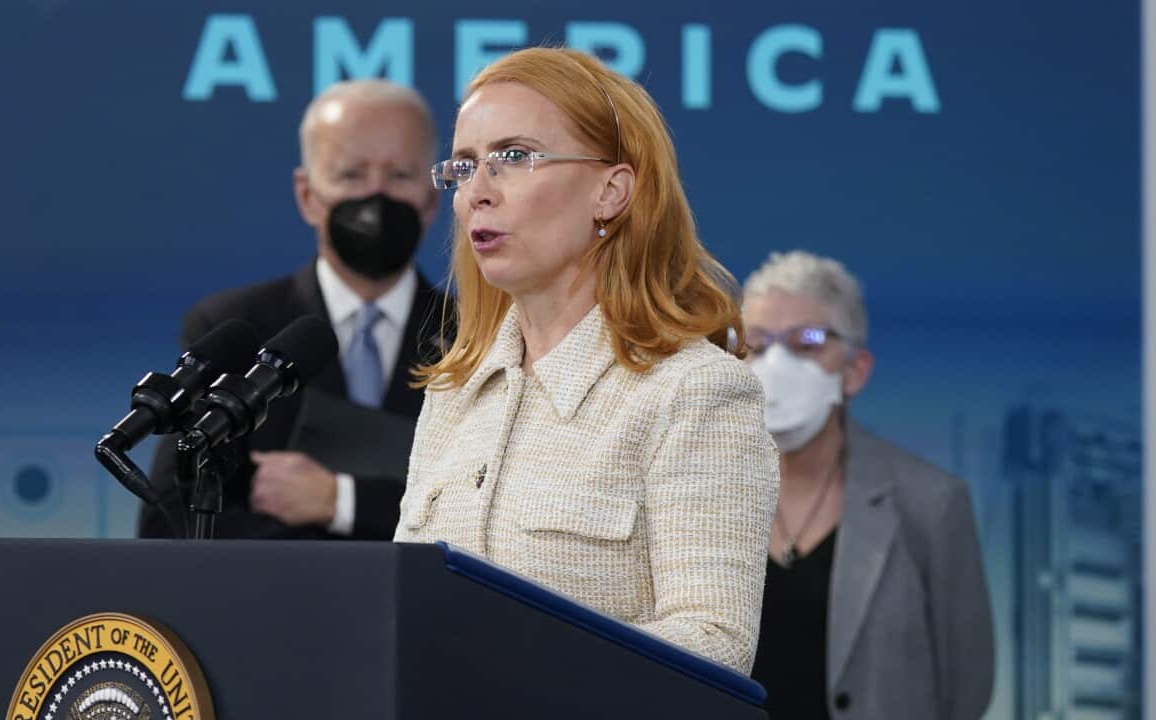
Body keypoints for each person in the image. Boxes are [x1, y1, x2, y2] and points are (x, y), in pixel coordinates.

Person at [392, 47, 779, 674]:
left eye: (514, 158)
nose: (478, 193)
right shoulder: (455, 391)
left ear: (611, 191)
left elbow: (714, 644)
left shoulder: (696, 392)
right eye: (464, 166)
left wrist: (512, 671)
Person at [138, 79, 450, 540]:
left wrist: (337, 500)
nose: (375, 196)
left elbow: (496, 524)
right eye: (351, 175)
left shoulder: (478, 336)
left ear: (431, 199)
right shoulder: (232, 328)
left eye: (400, 176)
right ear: (307, 194)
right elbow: (169, 517)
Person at [743, 251, 994, 719]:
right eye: (757, 344)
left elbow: (965, 689)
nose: (775, 364)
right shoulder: (701, 495)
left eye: (807, 342)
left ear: (855, 371)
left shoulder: (930, 503)